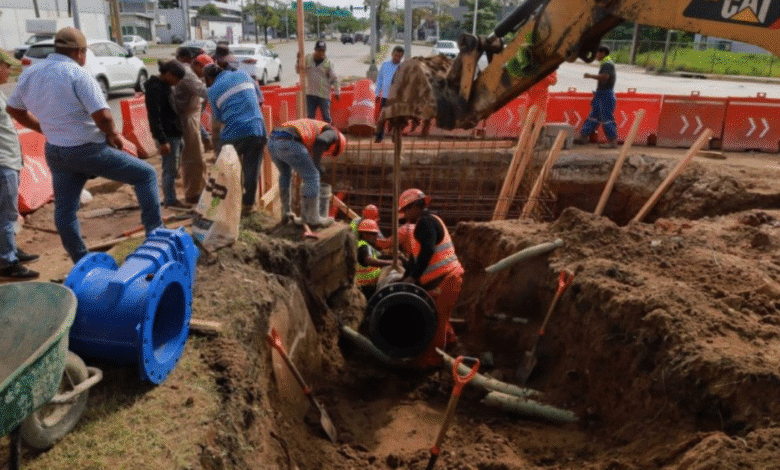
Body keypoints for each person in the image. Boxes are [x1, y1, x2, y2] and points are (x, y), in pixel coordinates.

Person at [7, 27, 163, 263]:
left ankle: (80, 260)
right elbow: (104, 116)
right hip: (88, 149)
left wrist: (42, 128)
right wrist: (114, 136)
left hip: (56, 151)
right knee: (146, 175)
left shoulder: (31, 73)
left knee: (65, 210)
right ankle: (155, 237)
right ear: (79, 52)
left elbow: (14, 109)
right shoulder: (78, 74)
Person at [396, 188, 463, 368]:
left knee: (437, 320)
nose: (405, 215)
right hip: (445, 278)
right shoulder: (422, 225)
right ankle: (449, 341)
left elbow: (427, 251)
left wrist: (413, 278)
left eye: (406, 210)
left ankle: (430, 362)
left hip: (447, 279)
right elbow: (415, 258)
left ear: (417, 206)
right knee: (439, 315)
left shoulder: (426, 223)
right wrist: (405, 277)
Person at [203, 64, 267, 216]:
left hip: (233, 134)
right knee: (252, 170)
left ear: (210, 78)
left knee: (227, 170)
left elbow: (218, 119)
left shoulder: (212, 91)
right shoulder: (244, 75)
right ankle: (248, 205)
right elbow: (260, 100)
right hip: (257, 130)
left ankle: (228, 205)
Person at [0, 49, 39, 279]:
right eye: (6, 67)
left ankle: (10, 250)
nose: (9, 71)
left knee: (8, 212)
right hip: (2, 162)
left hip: (8, 160)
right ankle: (7, 262)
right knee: (6, 214)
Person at [267, 118, 347, 227]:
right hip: (289, 141)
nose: (326, 153)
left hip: (272, 141)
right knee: (313, 176)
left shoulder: (314, 129)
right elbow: (321, 142)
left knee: (285, 174)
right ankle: (314, 218)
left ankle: (287, 213)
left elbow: (312, 148)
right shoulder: (333, 134)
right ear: (336, 145)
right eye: (330, 153)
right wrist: (317, 165)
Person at [145, 60, 187, 209]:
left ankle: (171, 197)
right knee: (169, 169)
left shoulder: (165, 86)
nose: (178, 83)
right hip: (168, 135)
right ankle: (170, 200)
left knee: (172, 168)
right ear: (169, 74)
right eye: (177, 79)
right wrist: (162, 140)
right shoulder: (155, 88)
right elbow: (155, 117)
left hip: (174, 132)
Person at [174, 46, 209, 204]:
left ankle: (201, 189)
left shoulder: (187, 71)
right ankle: (193, 193)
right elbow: (204, 92)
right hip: (186, 119)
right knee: (192, 157)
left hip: (191, 118)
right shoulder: (187, 73)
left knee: (199, 156)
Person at [573, 45, 618, 149]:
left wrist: (590, 76)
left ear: (603, 53)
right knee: (593, 117)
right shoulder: (606, 63)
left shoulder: (607, 64)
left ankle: (612, 141)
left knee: (607, 118)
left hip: (605, 95)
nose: (596, 55)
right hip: (601, 94)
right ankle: (584, 137)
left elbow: (605, 77)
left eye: (597, 53)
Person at [296, 41, 340, 123]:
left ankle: (327, 134)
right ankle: (312, 133)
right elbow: (299, 71)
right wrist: (298, 60)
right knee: (310, 118)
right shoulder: (307, 59)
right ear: (315, 50)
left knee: (326, 118)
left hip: (323, 94)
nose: (321, 53)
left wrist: (337, 92)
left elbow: (334, 78)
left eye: (323, 51)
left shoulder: (328, 63)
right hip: (310, 94)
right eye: (319, 50)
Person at [355, 219, 393, 299]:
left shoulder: (367, 245)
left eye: (376, 234)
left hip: (369, 285)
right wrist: (391, 263)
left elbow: (376, 258)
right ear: (364, 234)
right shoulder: (362, 246)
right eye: (373, 234)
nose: (376, 237)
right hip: (366, 287)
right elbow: (369, 260)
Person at [374, 46, 404, 143]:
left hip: (397, 98)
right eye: (395, 55)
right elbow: (380, 80)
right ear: (392, 54)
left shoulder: (403, 67)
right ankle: (379, 136)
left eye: (399, 56)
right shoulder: (385, 65)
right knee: (383, 117)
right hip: (385, 97)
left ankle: (395, 137)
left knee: (396, 119)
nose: (397, 58)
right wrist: (377, 93)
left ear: (402, 57)